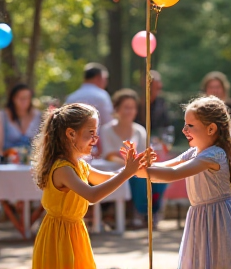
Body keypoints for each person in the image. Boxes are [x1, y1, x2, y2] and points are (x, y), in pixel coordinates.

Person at [133, 96, 231, 268]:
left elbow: (171, 173)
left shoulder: (213, 155)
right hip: (203, 219)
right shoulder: (194, 152)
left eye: (190, 126)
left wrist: (134, 170)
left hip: (222, 220)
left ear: (211, 129)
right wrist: (134, 166)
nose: (184, 130)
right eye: (185, 124)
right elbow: (161, 168)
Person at [31, 103, 144, 269]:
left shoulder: (80, 165)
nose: (95, 139)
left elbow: (107, 178)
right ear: (71, 134)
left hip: (75, 232)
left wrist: (133, 167)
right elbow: (92, 195)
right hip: (59, 237)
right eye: (91, 133)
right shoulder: (63, 169)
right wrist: (127, 172)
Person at [100, 88, 166, 227]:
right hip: (116, 170)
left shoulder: (139, 130)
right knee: (138, 177)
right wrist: (129, 166)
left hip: (136, 168)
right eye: (126, 107)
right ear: (117, 109)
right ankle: (140, 213)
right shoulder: (107, 130)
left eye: (133, 108)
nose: (130, 111)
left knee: (160, 176)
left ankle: (152, 212)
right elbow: (109, 155)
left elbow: (144, 153)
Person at [0, 83, 42, 236]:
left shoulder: (37, 115)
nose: (25, 102)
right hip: (9, 161)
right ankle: (22, 223)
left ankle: (27, 223)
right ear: (13, 99)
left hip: (33, 162)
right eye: (21, 98)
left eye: (28, 98)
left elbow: (41, 141)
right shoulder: (3, 116)